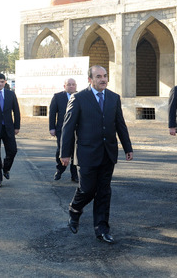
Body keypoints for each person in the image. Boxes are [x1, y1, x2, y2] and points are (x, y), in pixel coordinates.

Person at [60, 65, 133, 244]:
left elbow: (120, 124)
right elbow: (68, 127)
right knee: (87, 189)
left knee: (104, 192)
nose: (103, 79)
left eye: (105, 76)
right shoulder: (78, 98)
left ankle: (102, 229)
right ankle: (75, 210)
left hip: (108, 153)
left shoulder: (114, 98)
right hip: (86, 153)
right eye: (98, 76)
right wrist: (65, 153)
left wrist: (127, 147)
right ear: (90, 80)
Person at [49, 78, 79, 182]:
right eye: (69, 84)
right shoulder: (58, 97)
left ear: (76, 86)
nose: (71, 86)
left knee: (75, 152)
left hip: (76, 130)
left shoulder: (80, 96)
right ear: (64, 86)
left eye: (73, 84)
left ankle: (74, 175)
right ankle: (59, 170)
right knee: (61, 150)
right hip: (61, 129)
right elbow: (52, 113)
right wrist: (52, 128)